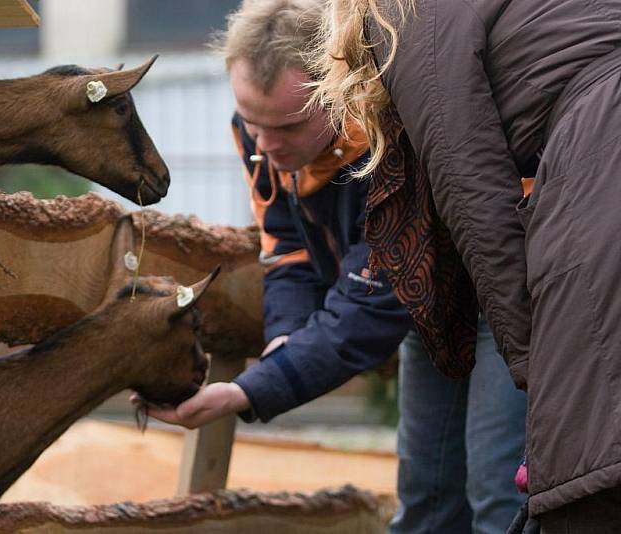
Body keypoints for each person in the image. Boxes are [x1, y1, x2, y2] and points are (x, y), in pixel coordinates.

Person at [140, 1, 525, 531]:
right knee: (426, 502)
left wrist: (253, 387)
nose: (267, 146)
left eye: (288, 127)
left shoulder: (396, 135)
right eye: (253, 124)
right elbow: (288, 248)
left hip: (506, 300)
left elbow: (371, 300)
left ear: (339, 93)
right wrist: (286, 335)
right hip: (427, 306)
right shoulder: (265, 134)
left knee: (498, 497)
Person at [313, 0, 621, 531]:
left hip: (602, 156)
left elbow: (475, 201)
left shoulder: (402, 12)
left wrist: (536, 376)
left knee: (590, 483)